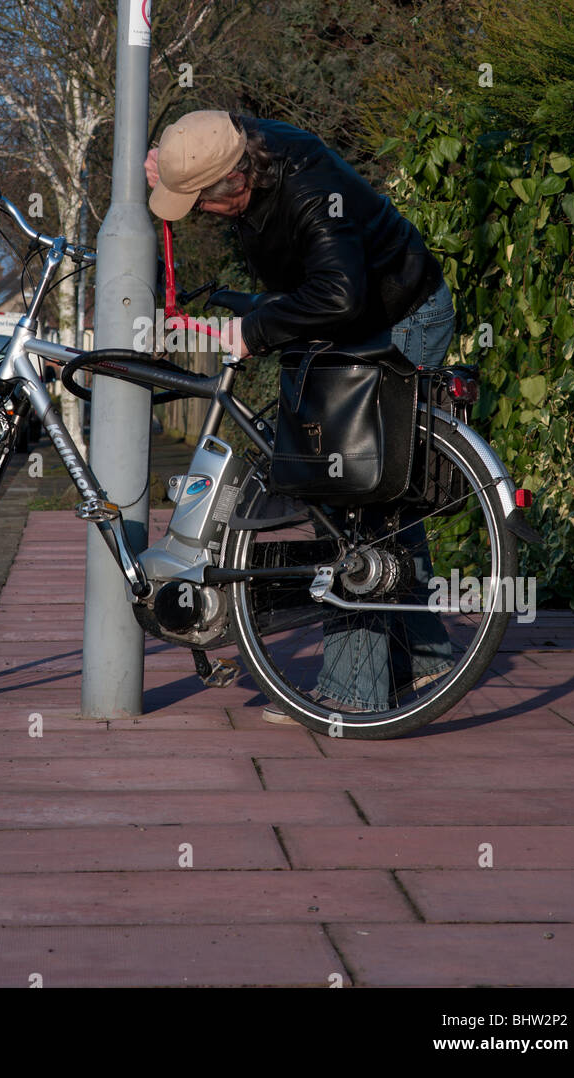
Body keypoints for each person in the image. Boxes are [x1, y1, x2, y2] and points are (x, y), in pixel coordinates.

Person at [144, 108, 456, 719]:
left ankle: (350, 692)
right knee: (378, 496)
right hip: (351, 325)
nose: (198, 213)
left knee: (354, 499)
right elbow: (202, 135)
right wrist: (166, 165)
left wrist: (253, 330)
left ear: (235, 181)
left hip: (400, 318)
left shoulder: (314, 191)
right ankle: (425, 658)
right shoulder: (238, 144)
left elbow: (340, 292)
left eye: (199, 200)